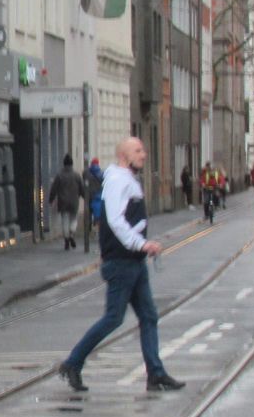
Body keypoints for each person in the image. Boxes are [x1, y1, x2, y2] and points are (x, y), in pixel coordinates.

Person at [57, 136, 184, 395]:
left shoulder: (127, 180)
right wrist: (141, 244)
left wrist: (142, 246)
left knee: (148, 316)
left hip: (133, 262)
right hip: (121, 262)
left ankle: (155, 374)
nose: (144, 154)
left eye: (142, 150)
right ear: (124, 156)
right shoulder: (117, 181)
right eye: (138, 151)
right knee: (113, 318)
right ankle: (72, 363)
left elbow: (130, 220)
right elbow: (115, 221)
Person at [47, 153, 84, 250]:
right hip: (74, 202)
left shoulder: (59, 175)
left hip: (62, 201)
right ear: (72, 164)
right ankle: (71, 233)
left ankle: (66, 239)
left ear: (64, 164)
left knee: (64, 220)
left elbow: (54, 189)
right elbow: (82, 188)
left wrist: (51, 199)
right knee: (74, 219)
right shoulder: (77, 175)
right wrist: (84, 196)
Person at [81, 158, 104, 252]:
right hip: (98, 196)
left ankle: (88, 230)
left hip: (88, 196)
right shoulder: (101, 173)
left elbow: (84, 181)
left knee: (88, 214)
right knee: (98, 216)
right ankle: (98, 232)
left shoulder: (87, 172)